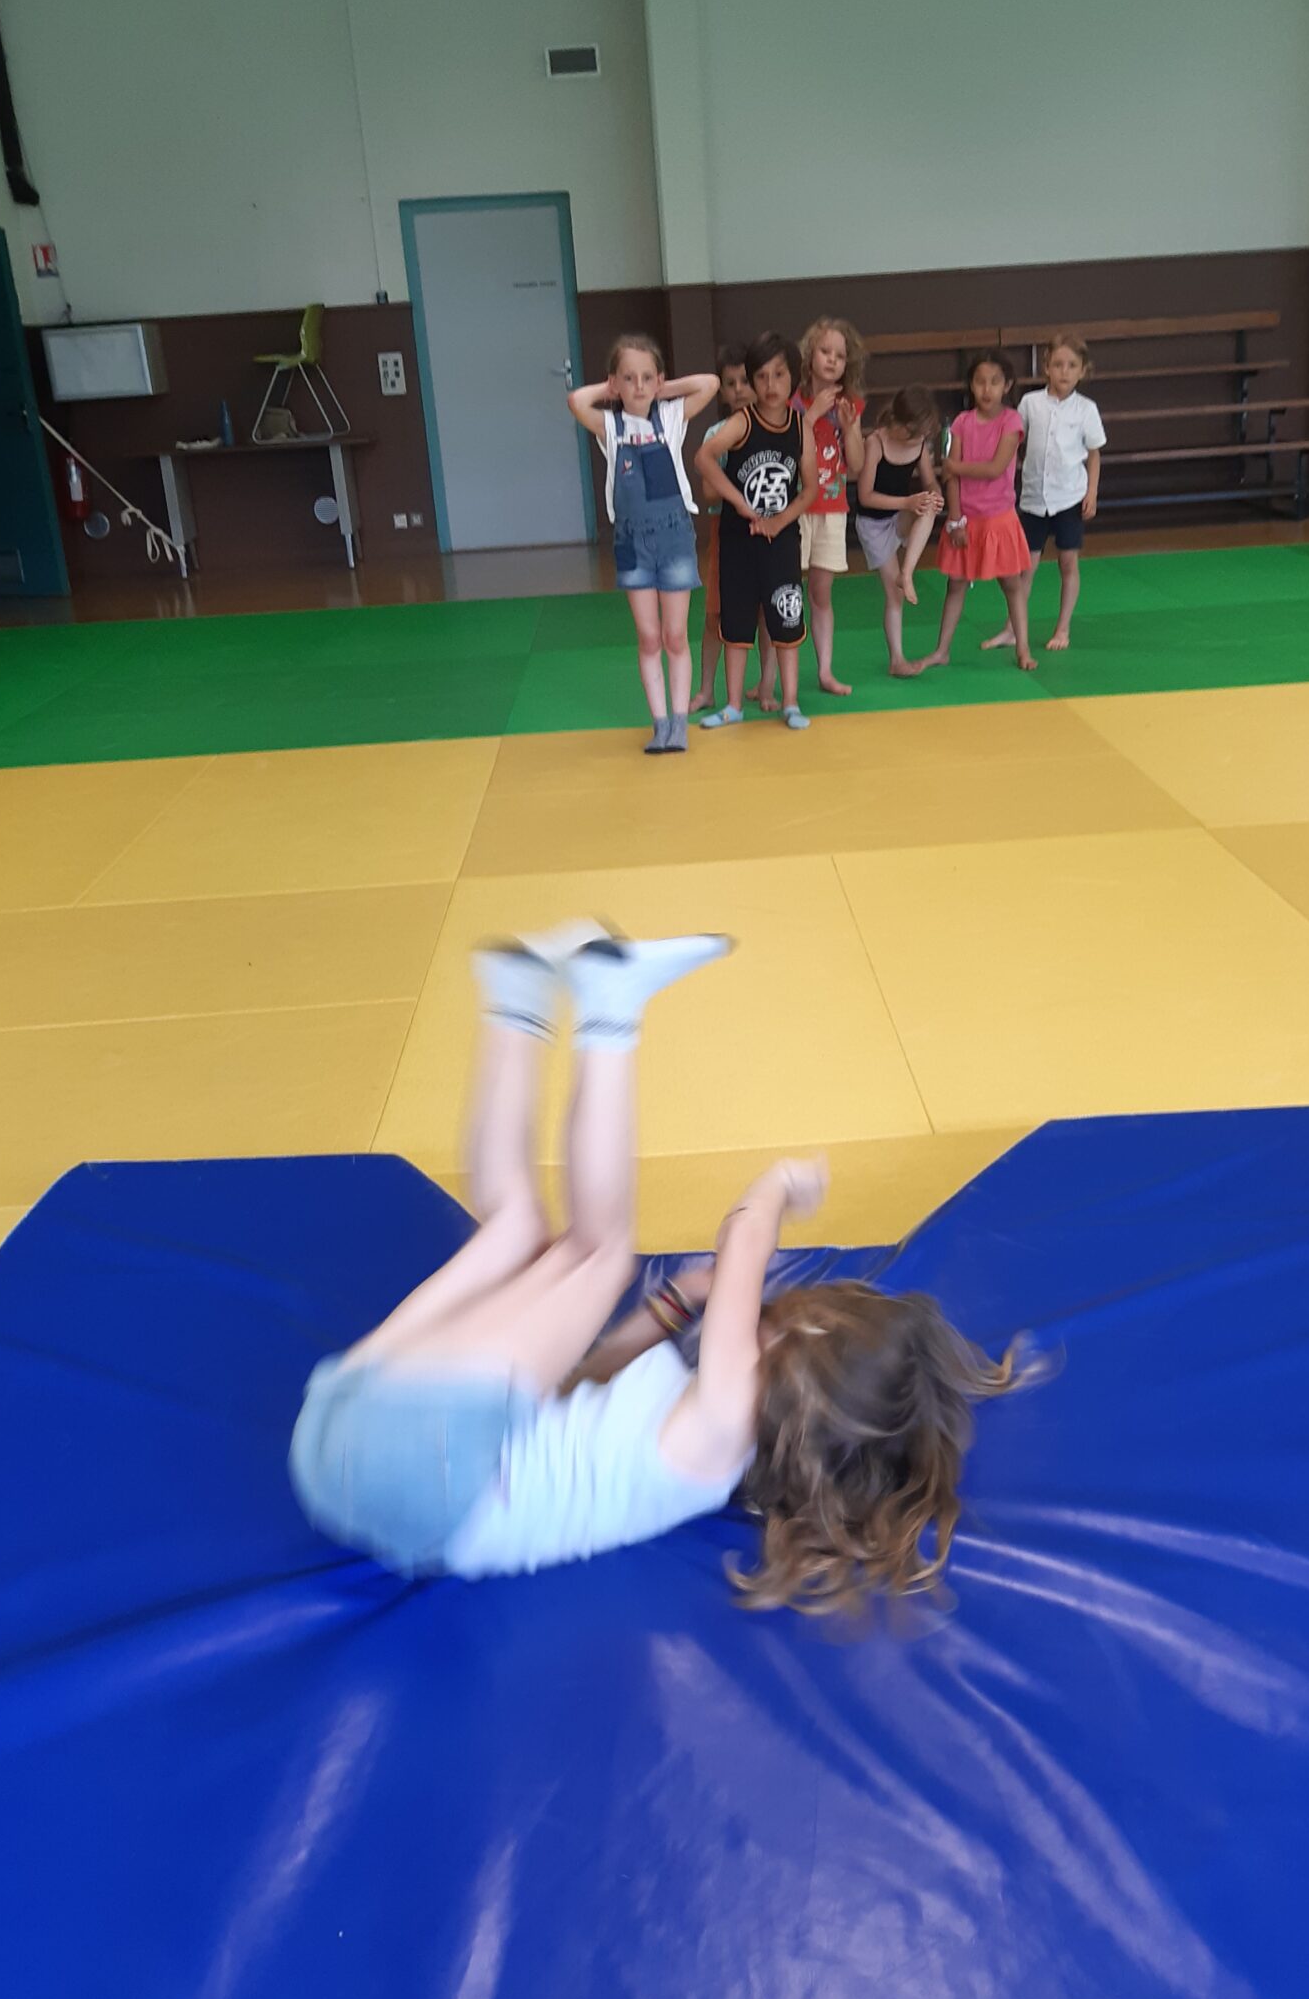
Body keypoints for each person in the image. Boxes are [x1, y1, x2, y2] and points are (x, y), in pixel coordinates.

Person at [288, 922, 1028, 1614]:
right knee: (526, 1233)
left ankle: (609, 1006)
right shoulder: (687, 1449)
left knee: (601, 1254)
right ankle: (517, 999)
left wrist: (781, 1187)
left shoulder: (726, 1422)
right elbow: (584, 1381)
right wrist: (673, 1303)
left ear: (808, 1347)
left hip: (411, 1461)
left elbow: (744, 1235)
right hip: (358, 1471)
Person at [567, 336, 719, 755]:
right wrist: (610, 389)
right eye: (629, 378)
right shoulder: (609, 425)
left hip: (673, 536)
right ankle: (659, 723)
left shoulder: (670, 415)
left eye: (647, 377)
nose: (639, 386)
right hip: (632, 541)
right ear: (614, 382)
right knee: (649, 637)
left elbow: (709, 384)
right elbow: (577, 401)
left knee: (675, 635)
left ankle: (679, 723)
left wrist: (661, 390)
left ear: (660, 380)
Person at [696, 334, 818, 731]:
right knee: (735, 621)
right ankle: (733, 704)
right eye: (761, 376)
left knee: (786, 616)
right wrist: (739, 502)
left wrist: (779, 521)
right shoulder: (741, 422)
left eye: (779, 375)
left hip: (781, 541)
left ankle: (791, 701)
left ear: (793, 378)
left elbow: (811, 489)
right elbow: (704, 457)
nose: (770, 384)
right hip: (738, 540)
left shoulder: (800, 427)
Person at [926, 351, 1035, 673]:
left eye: (995, 382)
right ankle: (942, 650)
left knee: (1012, 585)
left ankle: (1023, 648)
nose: (987, 389)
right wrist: (955, 520)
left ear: (1007, 385)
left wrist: (956, 466)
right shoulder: (962, 423)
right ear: (971, 385)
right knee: (956, 585)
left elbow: (995, 468)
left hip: (999, 518)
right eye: (980, 382)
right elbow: (950, 480)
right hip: (967, 518)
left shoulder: (1011, 421)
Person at [688, 346, 774, 718]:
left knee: (768, 614)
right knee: (716, 614)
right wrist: (739, 494)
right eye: (730, 383)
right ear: (721, 390)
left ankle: (766, 684)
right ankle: (707, 689)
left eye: (744, 381)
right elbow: (709, 492)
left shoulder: (776, 429)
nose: (738, 390)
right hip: (727, 530)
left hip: (768, 530)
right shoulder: (716, 434)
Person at [1005, 335, 1105, 655]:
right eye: (1058, 364)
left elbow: (1094, 454)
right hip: (1034, 497)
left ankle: (1063, 627)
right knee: (1026, 566)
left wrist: (1092, 492)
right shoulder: (1030, 403)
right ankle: (1013, 628)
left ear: (1082, 371)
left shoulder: (1086, 409)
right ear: (1046, 367)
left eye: (1072, 365)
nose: (1064, 371)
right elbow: (1013, 444)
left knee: (1067, 562)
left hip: (1070, 497)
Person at [796, 315, 867, 700]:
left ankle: (825, 669)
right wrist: (810, 415)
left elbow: (855, 464)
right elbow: (788, 447)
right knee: (784, 592)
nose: (832, 360)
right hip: (795, 507)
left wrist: (850, 426)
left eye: (839, 356)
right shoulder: (793, 400)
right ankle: (773, 674)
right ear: (810, 355)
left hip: (832, 507)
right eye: (825, 351)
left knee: (821, 592)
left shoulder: (849, 404)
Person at [855, 388, 944, 678]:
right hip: (873, 523)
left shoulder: (919, 445)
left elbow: (930, 482)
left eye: (923, 436)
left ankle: (907, 572)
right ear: (899, 425)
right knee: (894, 596)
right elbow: (865, 496)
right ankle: (897, 659)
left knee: (929, 506)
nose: (919, 440)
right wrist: (907, 502)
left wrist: (935, 494)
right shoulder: (876, 442)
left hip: (899, 515)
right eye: (915, 434)